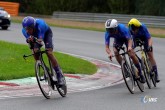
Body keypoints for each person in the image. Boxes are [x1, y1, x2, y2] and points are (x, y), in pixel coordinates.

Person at [22, 16, 64, 85]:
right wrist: (29, 40)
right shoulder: (24, 31)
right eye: (25, 29)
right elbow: (29, 41)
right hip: (36, 37)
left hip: (46, 33)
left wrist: (35, 41)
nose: (27, 31)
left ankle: (59, 75)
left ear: (33, 26)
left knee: (49, 52)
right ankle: (45, 68)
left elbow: (40, 41)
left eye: (29, 29)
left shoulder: (40, 25)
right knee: (34, 51)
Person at [105, 19, 145, 83]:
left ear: (116, 27)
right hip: (118, 40)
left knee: (131, 54)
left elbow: (129, 40)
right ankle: (125, 69)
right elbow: (107, 47)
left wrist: (129, 47)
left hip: (127, 39)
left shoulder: (122, 28)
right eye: (108, 30)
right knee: (115, 52)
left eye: (111, 30)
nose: (110, 32)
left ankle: (140, 73)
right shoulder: (107, 33)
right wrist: (109, 53)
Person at [128, 18, 160, 82]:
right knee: (131, 52)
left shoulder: (143, 27)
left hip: (145, 39)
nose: (134, 31)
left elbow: (149, 38)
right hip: (135, 39)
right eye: (133, 29)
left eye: (136, 29)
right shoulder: (130, 30)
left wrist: (149, 46)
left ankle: (156, 73)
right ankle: (140, 64)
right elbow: (129, 40)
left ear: (138, 27)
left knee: (150, 54)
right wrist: (130, 48)